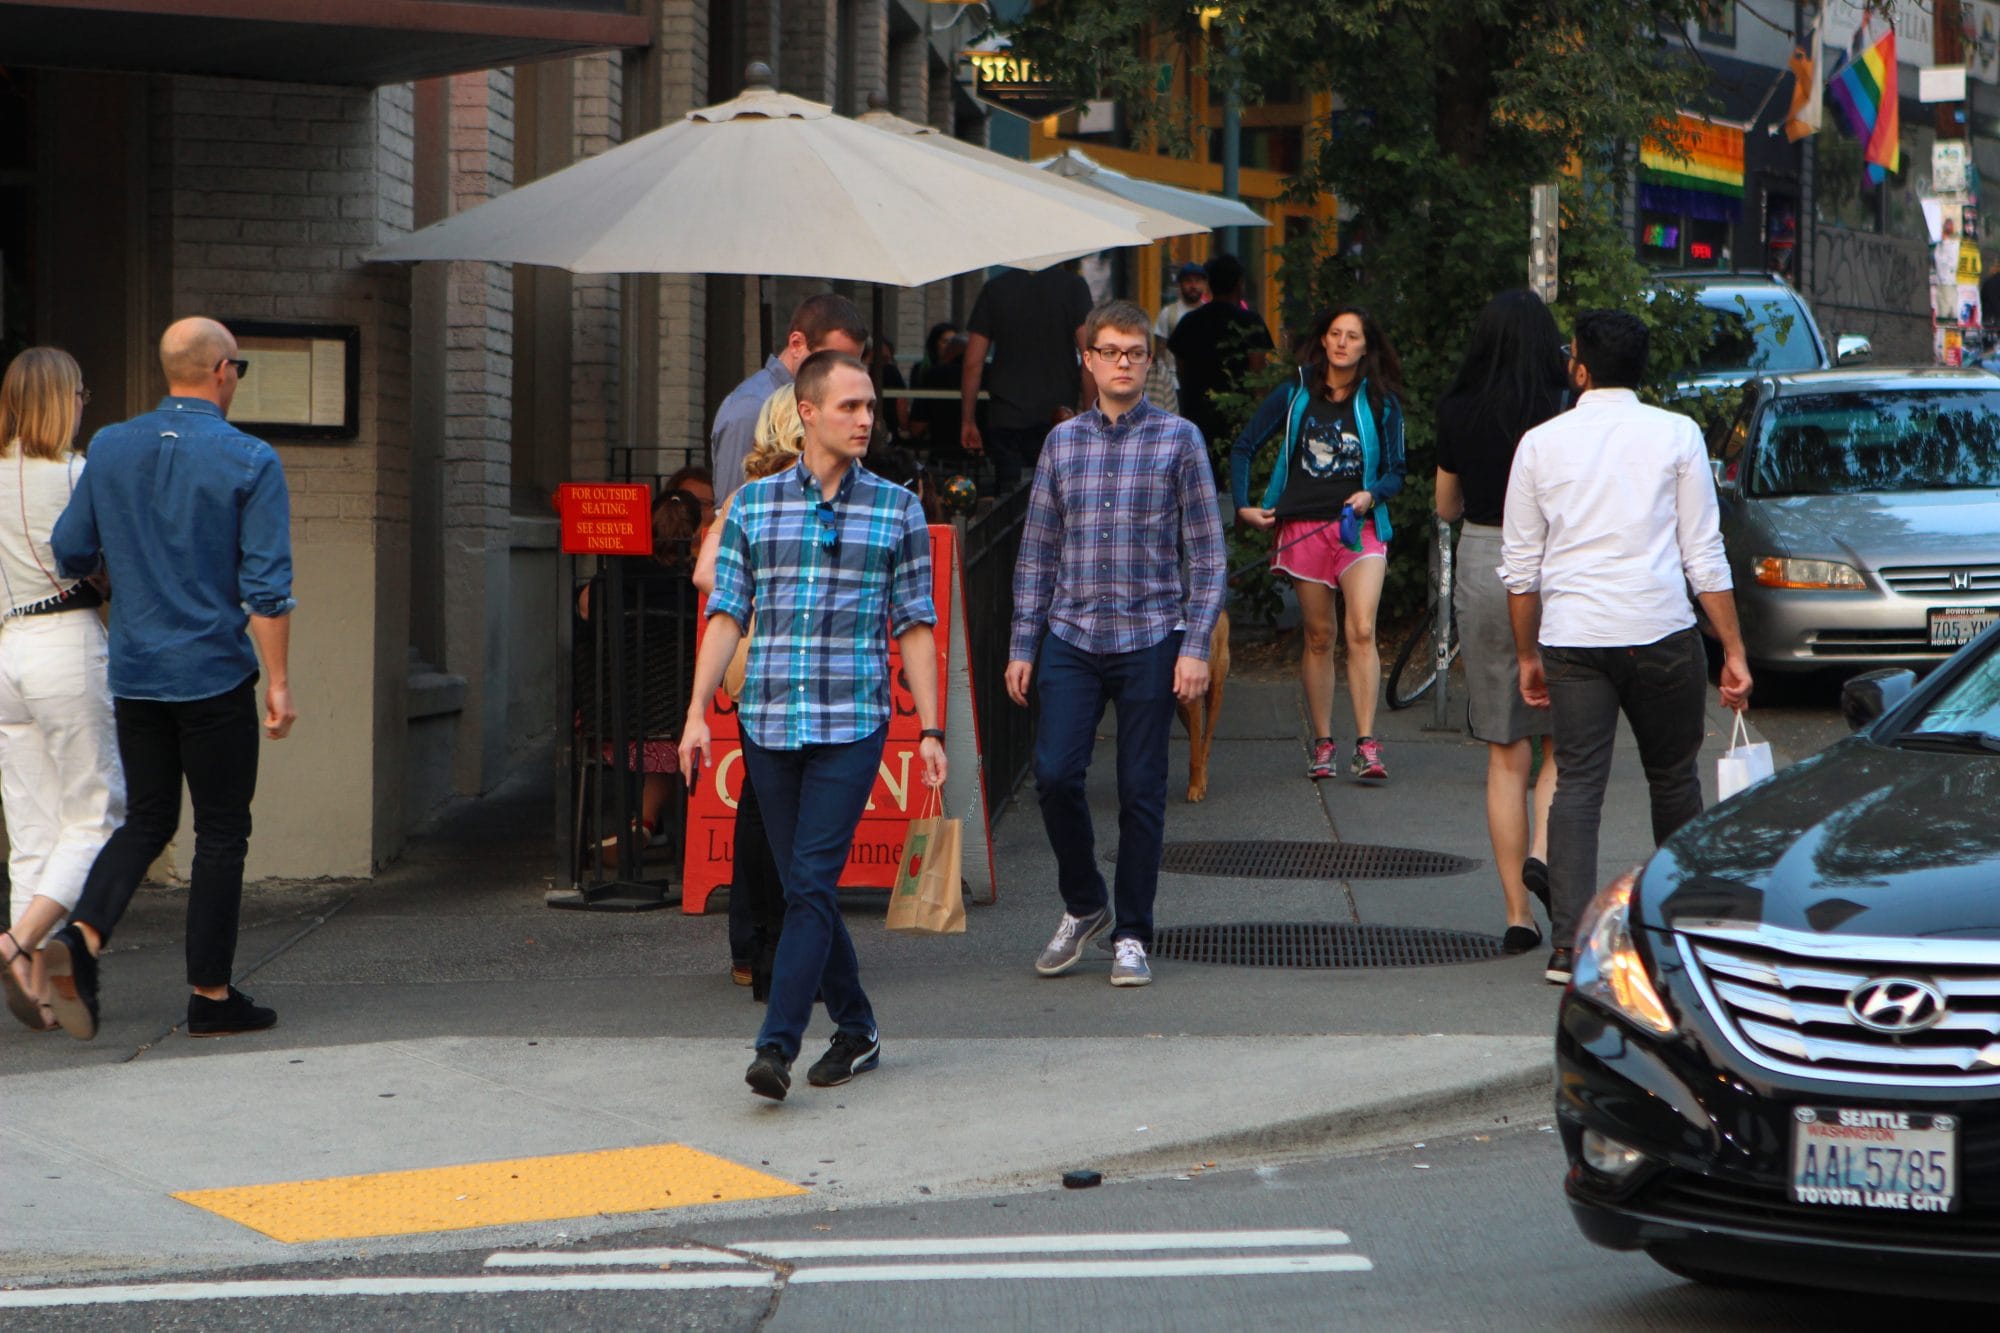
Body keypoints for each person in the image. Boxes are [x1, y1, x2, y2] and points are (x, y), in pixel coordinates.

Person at [680, 351, 945, 1101]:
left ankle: (777, 1046)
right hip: (767, 721)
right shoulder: (755, 506)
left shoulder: (897, 507)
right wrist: (699, 712)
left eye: (870, 407)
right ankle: (857, 1027)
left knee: (809, 884)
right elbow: (726, 613)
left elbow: (916, 625)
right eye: (850, 407)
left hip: (853, 723)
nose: (866, 419)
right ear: (807, 413)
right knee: (810, 888)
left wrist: (931, 728)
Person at [42, 316, 298, 1040]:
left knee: (147, 819)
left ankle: (83, 935)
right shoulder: (250, 459)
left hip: (136, 671)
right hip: (213, 675)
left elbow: (69, 547)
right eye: (238, 369)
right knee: (221, 832)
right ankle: (210, 996)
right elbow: (268, 589)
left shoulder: (112, 447)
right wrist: (279, 682)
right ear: (221, 370)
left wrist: (118, 574)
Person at [1501, 309, 1752, 986]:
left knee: (1577, 784)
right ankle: (1682, 930)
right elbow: (1704, 553)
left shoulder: (1540, 444)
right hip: (1662, 628)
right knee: (1674, 778)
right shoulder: (1677, 434)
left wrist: (1528, 655)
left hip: (1574, 637)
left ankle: (1568, 947)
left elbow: (1521, 571)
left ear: (1579, 364)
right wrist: (1732, 647)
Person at [1009, 300, 1226, 989]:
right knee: (1054, 774)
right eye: (1110, 351)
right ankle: (1084, 902)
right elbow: (1038, 549)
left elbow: (1208, 554)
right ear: (1090, 361)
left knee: (1140, 791)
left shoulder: (1180, 439)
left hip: (1150, 632)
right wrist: (1022, 643)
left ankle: (1132, 930)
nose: (1123, 363)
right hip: (1071, 633)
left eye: (1135, 352)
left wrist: (1195, 645)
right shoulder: (1062, 443)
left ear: (1149, 361)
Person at [1433, 290, 1566, 955]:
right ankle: (1545, 846)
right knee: (1566, 739)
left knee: (1504, 748)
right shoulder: (1564, 410)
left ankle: (1518, 911)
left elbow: (1445, 504)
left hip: (1487, 557)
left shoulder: (1457, 409)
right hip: (1561, 565)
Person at [0, 348, 125, 1033]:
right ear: (62, 398)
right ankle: (19, 942)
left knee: (32, 826)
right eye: (80, 391)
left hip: (7, 649)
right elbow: (98, 562)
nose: (84, 402)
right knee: (97, 812)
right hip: (66, 640)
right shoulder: (79, 472)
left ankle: (36, 989)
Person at [1230, 306, 1405, 784]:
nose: (1343, 343)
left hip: (1359, 528)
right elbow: (1244, 446)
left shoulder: (1380, 403)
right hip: (1303, 527)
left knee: (1362, 629)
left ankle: (1367, 744)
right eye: (1335, 334)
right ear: (1323, 341)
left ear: (1367, 346)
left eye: (1353, 336)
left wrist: (1372, 494)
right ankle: (1324, 743)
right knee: (1319, 635)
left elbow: (1397, 470)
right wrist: (1244, 505)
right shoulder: (1294, 394)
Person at [694, 386, 807, 1000]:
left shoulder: (752, 493)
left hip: (759, 667)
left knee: (761, 810)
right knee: (774, 812)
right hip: (770, 664)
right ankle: (770, 945)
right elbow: (706, 572)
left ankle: (755, 946)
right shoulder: (760, 496)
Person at [710, 294, 867, 505]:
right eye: (830, 360)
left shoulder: (822, 401)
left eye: (852, 364)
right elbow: (729, 516)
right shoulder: (750, 408)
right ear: (796, 344)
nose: (844, 374)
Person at [960, 263, 1094, 494]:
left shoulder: (995, 289)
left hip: (1006, 416)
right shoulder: (1073, 287)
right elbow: (1090, 358)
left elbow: (973, 363)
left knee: (1008, 502)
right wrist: (1092, 415)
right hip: (1059, 417)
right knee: (1058, 498)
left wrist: (968, 420)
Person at [1168, 253, 1273, 459]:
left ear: (1209, 285)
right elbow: (1258, 373)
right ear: (1239, 284)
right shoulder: (1250, 322)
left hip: (1197, 414)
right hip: (1238, 417)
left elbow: (1180, 368)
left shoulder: (1190, 321)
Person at [1153, 260, 1209, 393]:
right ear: (1180, 284)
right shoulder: (1168, 313)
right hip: (1173, 383)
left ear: (1204, 284)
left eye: (1197, 281)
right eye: (1188, 281)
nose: (1193, 285)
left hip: (1205, 382)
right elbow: (1159, 350)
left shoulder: (1210, 314)